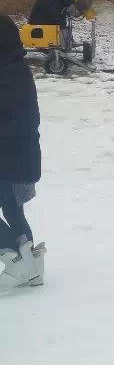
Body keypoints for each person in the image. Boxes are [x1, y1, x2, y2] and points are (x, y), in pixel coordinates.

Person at [0, 15, 46, 290]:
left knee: (12, 207)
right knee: (12, 209)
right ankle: (31, 266)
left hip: (11, 158)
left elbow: (19, 120)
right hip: (17, 157)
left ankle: (17, 259)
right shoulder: (14, 69)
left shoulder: (8, 75)